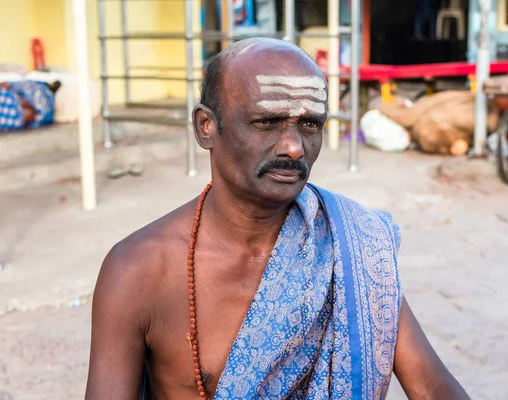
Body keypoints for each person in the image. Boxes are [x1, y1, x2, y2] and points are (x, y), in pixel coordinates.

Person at [85, 38, 469, 400]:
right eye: (267, 122)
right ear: (206, 126)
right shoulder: (137, 270)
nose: (293, 146)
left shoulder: (354, 249)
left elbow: (431, 388)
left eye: (310, 125)